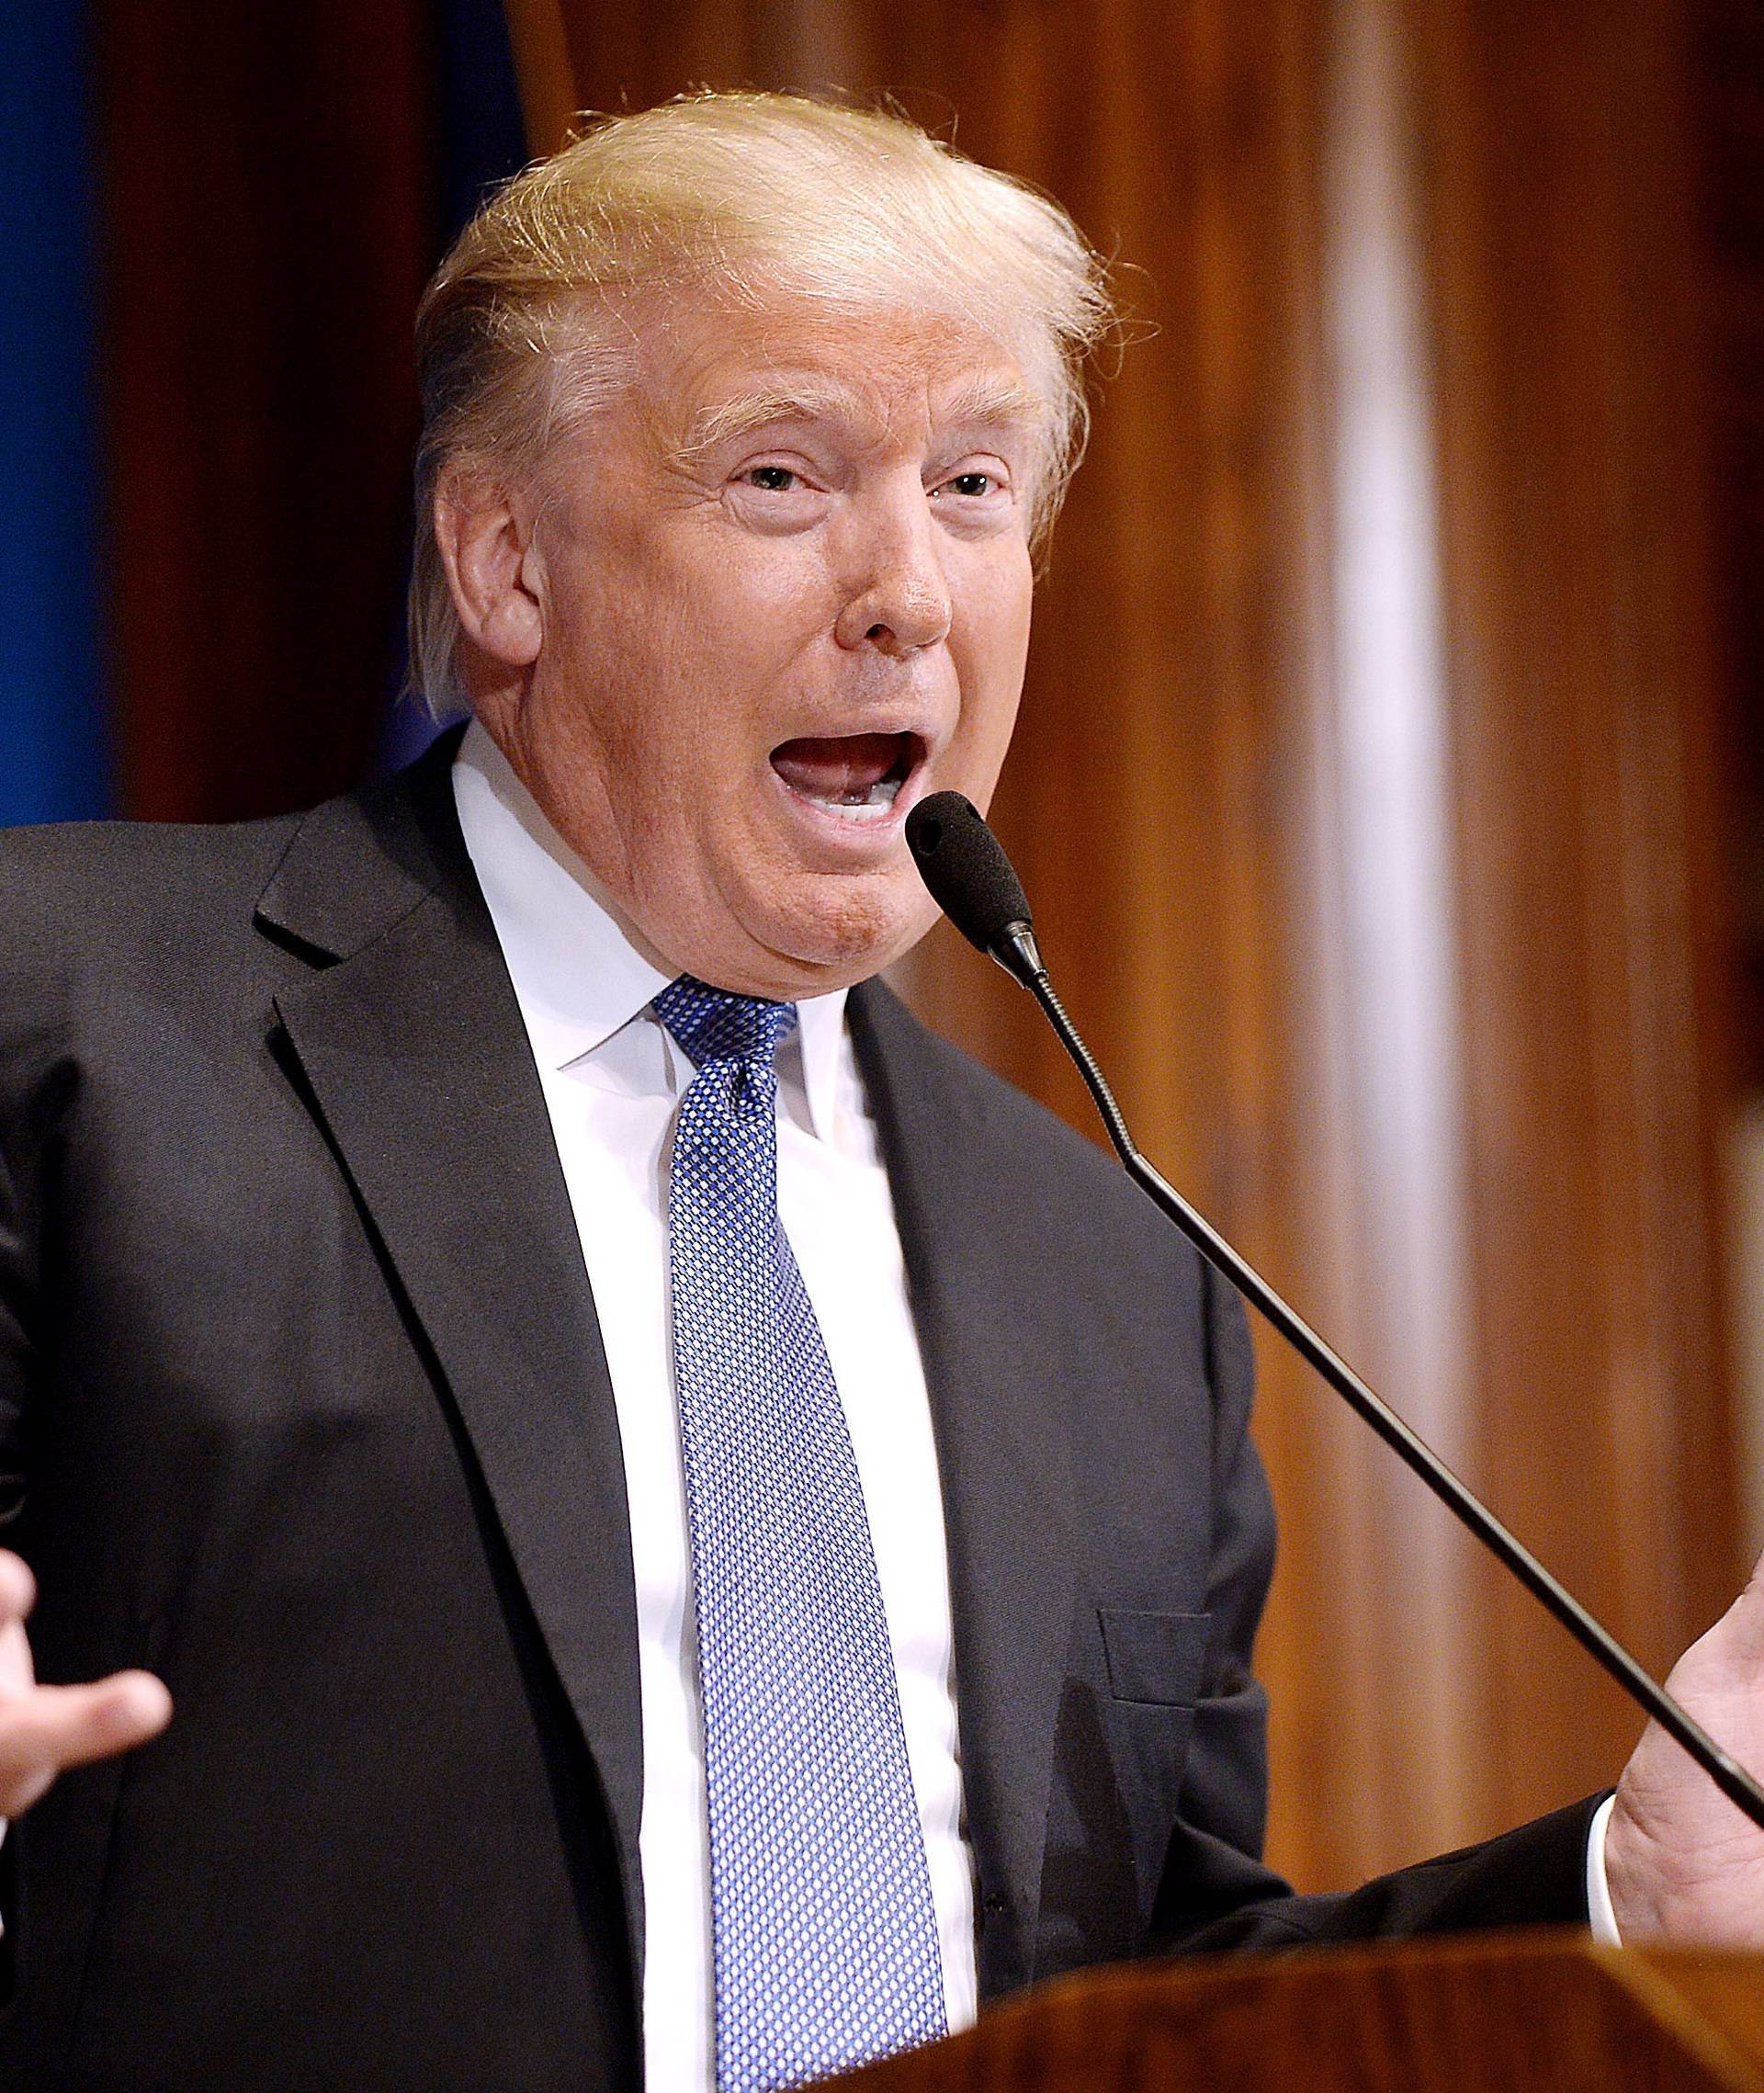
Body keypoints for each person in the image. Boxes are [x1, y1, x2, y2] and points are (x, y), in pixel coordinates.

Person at [0, 92, 1757, 2093]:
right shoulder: (72, 1033)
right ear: (505, 558)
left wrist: (1629, 1892)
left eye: (979, 485)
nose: (911, 589)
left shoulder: (1114, 1278)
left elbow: (1164, 2000)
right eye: (779, 475)